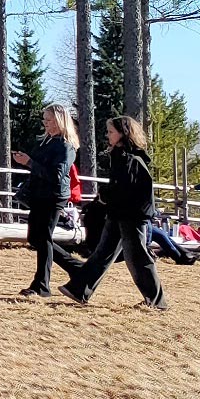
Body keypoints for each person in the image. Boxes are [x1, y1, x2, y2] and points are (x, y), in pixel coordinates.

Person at [61, 116, 167, 309]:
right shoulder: (121, 157)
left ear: (122, 134)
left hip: (131, 216)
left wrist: (105, 196)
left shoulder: (130, 160)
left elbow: (127, 190)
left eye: (111, 132)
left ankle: (156, 301)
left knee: (137, 257)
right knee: (103, 253)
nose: (107, 135)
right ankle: (79, 289)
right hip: (118, 213)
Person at [11, 104, 83, 296]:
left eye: (49, 120)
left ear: (60, 121)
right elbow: (41, 167)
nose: (45, 123)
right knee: (36, 238)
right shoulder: (48, 141)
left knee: (42, 238)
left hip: (53, 196)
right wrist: (26, 162)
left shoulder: (66, 146)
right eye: (44, 119)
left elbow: (56, 175)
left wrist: (29, 162)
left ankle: (42, 285)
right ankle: (76, 269)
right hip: (41, 195)